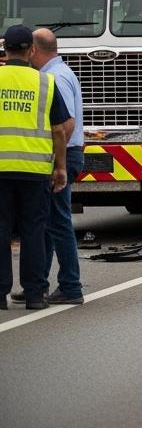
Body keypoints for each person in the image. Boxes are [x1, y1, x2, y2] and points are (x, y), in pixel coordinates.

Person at [0, 26, 72, 310]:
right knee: (33, 231)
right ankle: (34, 294)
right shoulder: (45, 83)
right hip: (35, 170)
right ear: (31, 50)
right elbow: (59, 130)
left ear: (4, 48)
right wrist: (61, 169)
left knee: (1, 230)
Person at [30, 29, 85, 304]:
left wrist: (56, 162)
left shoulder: (54, 77)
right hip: (68, 153)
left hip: (63, 154)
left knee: (58, 222)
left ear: (34, 50)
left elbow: (66, 123)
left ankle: (71, 286)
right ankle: (38, 282)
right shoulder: (62, 72)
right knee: (50, 223)